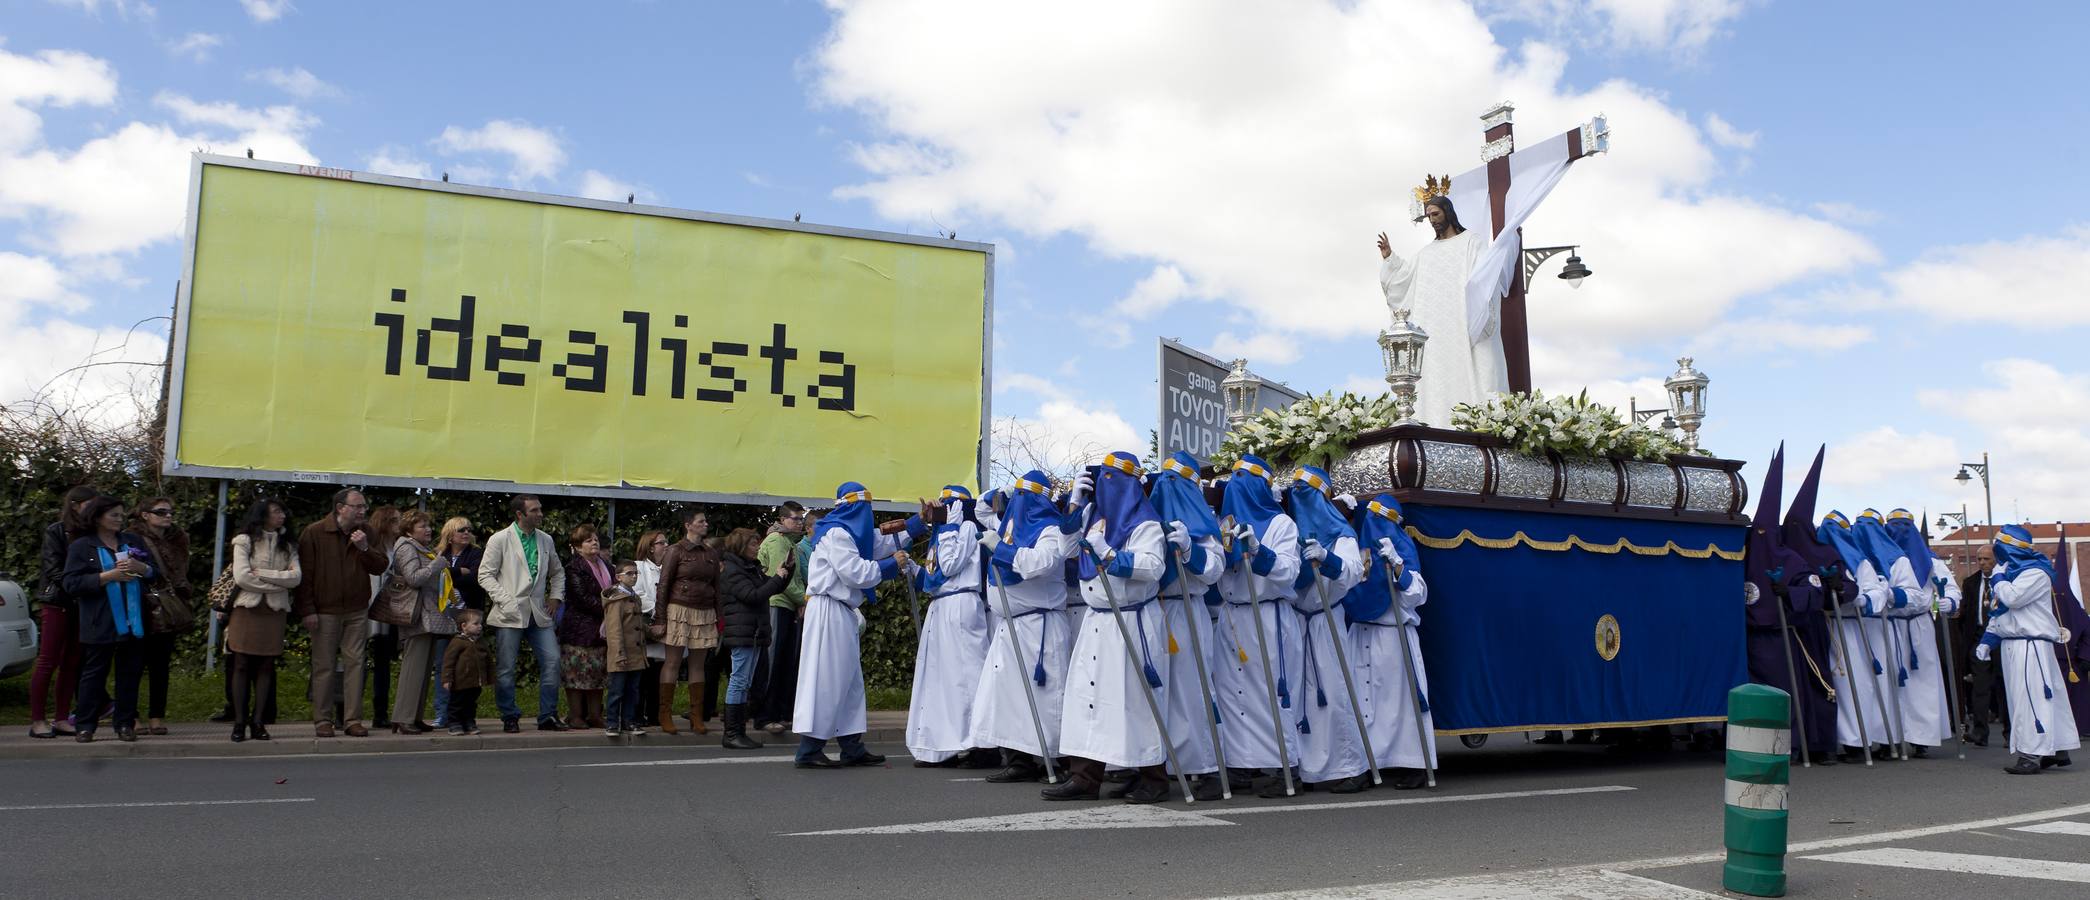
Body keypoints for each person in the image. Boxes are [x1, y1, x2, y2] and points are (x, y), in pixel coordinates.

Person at [1041, 452, 1175, 802]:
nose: (1105, 486)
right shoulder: (1091, 516)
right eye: (1103, 478)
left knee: (1134, 700)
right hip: (1096, 618)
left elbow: (1152, 566)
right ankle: (1085, 776)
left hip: (1130, 620)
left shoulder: (1145, 523)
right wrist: (1072, 508)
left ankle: (1153, 777)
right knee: (1086, 698)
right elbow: (1065, 548)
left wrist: (1111, 555)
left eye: (1112, 479)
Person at [794, 482, 923, 768]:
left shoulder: (846, 532)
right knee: (828, 678)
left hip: (840, 610)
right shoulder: (837, 534)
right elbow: (856, 573)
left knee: (850, 681)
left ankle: (851, 746)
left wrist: (919, 523)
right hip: (829, 608)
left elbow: (881, 542)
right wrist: (892, 564)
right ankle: (809, 749)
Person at [971, 471, 1082, 783]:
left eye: (1022, 495)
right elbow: (981, 508)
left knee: (1046, 698)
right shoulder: (1009, 528)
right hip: (1011, 625)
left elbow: (1041, 563)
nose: (1016, 502)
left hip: (1039, 624)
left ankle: (1056, 758)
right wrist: (1003, 489)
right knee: (1010, 695)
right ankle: (1019, 759)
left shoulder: (1050, 529)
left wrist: (1002, 551)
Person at [1212, 455, 1305, 792]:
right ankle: (1240, 763)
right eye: (1232, 477)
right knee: (1230, 691)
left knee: (1271, 691)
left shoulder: (1281, 524)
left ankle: (1284, 766)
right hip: (1233, 614)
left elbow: (1289, 571)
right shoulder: (1223, 523)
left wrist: (1257, 550)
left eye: (1243, 477)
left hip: (1267, 613)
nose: (1236, 484)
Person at [1146, 454, 1230, 800]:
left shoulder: (1202, 522)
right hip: (1156, 610)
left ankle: (1207, 767)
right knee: (1156, 692)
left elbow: (1213, 571)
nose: (1167, 488)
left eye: (1174, 482)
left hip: (1187, 610)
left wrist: (1189, 548)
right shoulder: (1147, 520)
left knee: (1191, 692)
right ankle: (1158, 766)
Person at [1376, 194, 1501, 427]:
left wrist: (1473, 307)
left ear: (1448, 213)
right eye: (1429, 216)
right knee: (1432, 379)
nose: (1432, 220)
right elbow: (1403, 280)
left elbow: (1486, 279)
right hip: (1432, 330)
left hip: (1461, 324)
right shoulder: (1425, 254)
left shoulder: (1472, 242)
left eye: (1436, 214)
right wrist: (1390, 259)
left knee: (1471, 371)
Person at [1283, 467, 1370, 795]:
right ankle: (1307, 767)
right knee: (1300, 696)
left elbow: (1351, 571)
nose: (1301, 499)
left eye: (1308, 492)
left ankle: (1351, 766)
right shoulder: (1290, 531)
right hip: (1299, 620)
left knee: (1334, 693)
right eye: (1297, 492)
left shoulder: (1342, 534)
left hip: (1325, 619)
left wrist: (1327, 557)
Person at [1345, 496, 1436, 789]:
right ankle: (1364, 764)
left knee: (1400, 703)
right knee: (1361, 701)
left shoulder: (1402, 549)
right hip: (1362, 634)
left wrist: (1397, 566)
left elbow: (1417, 595)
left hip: (1393, 635)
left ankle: (1414, 765)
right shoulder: (1361, 550)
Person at [1977, 525, 2081, 773]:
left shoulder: (2035, 573)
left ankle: (2031, 755)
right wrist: (1987, 641)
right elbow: (2000, 612)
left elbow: (2013, 598)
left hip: (2029, 646)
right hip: (2018, 645)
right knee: (2040, 699)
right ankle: (2055, 749)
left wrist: (1999, 577)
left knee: (2030, 700)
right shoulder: (2013, 574)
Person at [904, 487, 994, 768]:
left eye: (948, 503)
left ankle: (981, 745)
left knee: (966, 678)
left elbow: (952, 564)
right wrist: (913, 569)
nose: (942, 508)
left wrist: (950, 527)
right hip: (942, 605)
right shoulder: (942, 533)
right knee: (941, 680)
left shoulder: (965, 527)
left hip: (962, 605)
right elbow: (936, 577)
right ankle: (945, 744)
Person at [293, 488, 388, 738]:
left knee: (355, 664)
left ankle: (352, 720)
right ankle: (322, 720)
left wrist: (364, 548)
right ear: (340, 508)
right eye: (357, 506)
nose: (362, 511)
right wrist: (308, 610)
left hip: (357, 610)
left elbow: (380, 567)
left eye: (364, 506)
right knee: (323, 665)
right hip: (324, 611)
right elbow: (305, 577)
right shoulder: (314, 533)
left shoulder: (367, 532)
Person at [62, 495, 152, 742]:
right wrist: (108, 576)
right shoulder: (82, 546)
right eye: (114, 515)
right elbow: (71, 583)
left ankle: (125, 723)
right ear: (98, 516)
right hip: (100, 620)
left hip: (134, 621)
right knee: (94, 674)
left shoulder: (132, 541)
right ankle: (85, 725)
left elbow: (153, 572)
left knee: (129, 674)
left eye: (122, 515)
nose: (119, 519)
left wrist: (140, 567)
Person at [479, 494, 568, 732]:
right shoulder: (500, 539)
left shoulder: (546, 539)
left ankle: (547, 715)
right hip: (510, 612)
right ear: (520, 514)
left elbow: (557, 572)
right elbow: (485, 574)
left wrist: (555, 597)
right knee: (506, 667)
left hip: (538, 612)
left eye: (540, 509)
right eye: (535, 510)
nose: (540, 514)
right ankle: (509, 715)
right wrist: (505, 600)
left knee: (553, 660)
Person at [1817, 510, 1897, 761]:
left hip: (1852, 628)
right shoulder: (1816, 558)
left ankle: (1857, 741)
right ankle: (1835, 740)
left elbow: (1877, 592)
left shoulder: (1859, 562)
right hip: (1826, 626)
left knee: (1855, 686)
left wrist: (1860, 599)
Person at [226, 498, 300, 742]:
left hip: (274, 611)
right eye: (276, 512)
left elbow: (296, 578)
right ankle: (239, 722)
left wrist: (266, 575)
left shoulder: (287, 544)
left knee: (266, 666)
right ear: (263, 516)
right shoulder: (244, 541)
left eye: (283, 511)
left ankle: (258, 722)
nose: (282, 515)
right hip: (247, 609)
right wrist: (277, 582)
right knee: (241, 664)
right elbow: (242, 577)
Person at [28, 484, 98, 739]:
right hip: (59, 601)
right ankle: (37, 720)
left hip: (83, 604)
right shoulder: (56, 531)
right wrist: (80, 586)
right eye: (90, 504)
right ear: (75, 505)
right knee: (48, 660)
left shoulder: (92, 533)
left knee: (71, 662)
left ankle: (61, 717)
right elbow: (54, 568)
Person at [1883, 509, 1954, 755]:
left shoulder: (1931, 561)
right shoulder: (1883, 558)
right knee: (1892, 681)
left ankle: (1921, 736)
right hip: (1891, 624)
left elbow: (1950, 586)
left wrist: (1950, 601)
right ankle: (1890, 735)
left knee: (1922, 680)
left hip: (1919, 625)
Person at [719, 527, 792, 749]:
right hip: (742, 632)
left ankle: (738, 731)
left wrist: (784, 574)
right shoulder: (734, 570)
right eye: (753, 544)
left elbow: (766, 588)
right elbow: (753, 596)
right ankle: (732, 733)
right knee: (739, 680)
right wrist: (776, 578)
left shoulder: (750, 568)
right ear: (741, 546)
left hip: (752, 632)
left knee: (745, 682)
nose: (757, 547)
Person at [129, 496, 194, 736]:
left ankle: (157, 716)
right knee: (134, 663)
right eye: (161, 512)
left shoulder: (178, 538)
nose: (168, 516)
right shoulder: (131, 537)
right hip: (142, 604)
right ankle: (131, 715)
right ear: (145, 514)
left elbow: (182, 573)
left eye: (170, 512)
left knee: (160, 665)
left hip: (167, 604)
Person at [654, 508, 721, 735]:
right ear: (688, 525)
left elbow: (718, 588)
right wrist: (661, 618)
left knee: (697, 665)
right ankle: (664, 714)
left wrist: (719, 616)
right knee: (672, 662)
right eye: (701, 521)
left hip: (704, 611)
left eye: (705, 520)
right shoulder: (675, 551)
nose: (705, 524)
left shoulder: (711, 553)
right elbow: (663, 585)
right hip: (678, 609)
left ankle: (696, 716)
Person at [387, 511, 452, 734]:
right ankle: (403, 717)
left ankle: (413, 716)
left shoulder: (419, 548)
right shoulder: (406, 547)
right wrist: (437, 565)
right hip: (417, 615)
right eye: (422, 526)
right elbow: (413, 578)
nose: (428, 529)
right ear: (408, 530)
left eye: (428, 525)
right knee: (413, 668)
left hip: (427, 614)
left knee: (423, 669)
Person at [756, 502, 809, 734]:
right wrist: (804, 600)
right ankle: (764, 716)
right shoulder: (778, 540)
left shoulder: (790, 542)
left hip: (787, 604)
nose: (800, 523)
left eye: (801, 519)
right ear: (783, 519)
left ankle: (779, 712)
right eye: (796, 519)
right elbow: (782, 578)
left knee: (786, 661)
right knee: (772, 661)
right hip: (776, 603)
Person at [430, 517, 484, 726]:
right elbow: (433, 578)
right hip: (444, 616)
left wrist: (447, 574)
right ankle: (443, 713)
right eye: (462, 530)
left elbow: (475, 580)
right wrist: (457, 571)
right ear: (450, 534)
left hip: (468, 616)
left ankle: (465, 715)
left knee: (468, 666)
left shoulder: (476, 553)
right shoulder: (438, 554)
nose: (466, 533)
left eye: (469, 530)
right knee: (443, 664)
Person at [558, 525, 612, 729]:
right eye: (588, 540)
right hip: (579, 629)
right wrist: (609, 607)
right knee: (576, 675)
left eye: (595, 539)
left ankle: (595, 715)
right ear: (578, 547)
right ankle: (576, 715)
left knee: (598, 674)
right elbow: (582, 599)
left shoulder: (608, 566)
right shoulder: (573, 568)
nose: (594, 542)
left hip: (602, 628)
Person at [1956, 546, 2003, 746]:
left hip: (2001, 638)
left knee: (2003, 686)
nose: (1982, 562)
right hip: (1977, 638)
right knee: (1979, 688)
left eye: (1987, 559)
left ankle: (2010, 733)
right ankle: (1980, 732)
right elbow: (1965, 615)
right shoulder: (1970, 583)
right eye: (1979, 559)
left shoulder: (2006, 579)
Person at [364, 506, 403, 729]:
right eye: (395, 520)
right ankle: (344, 711)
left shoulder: (397, 546)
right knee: (357, 661)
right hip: (368, 608)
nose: (399, 524)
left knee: (383, 664)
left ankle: (380, 712)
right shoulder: (372, 545)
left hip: (389, 611)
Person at [601, 560, 649, 738]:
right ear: (618, 577)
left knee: (633, 690)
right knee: (617, 690)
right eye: (629, 573)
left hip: (635, 653)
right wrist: (619, 653)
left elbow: (637, 624)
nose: (634, 576)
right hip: (621, 653)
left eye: (636, 573)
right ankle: (612, 723)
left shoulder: (633, 596)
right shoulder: (617, 599)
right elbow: (614, 629)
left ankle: (629, 721)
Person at [631, 530, 669, 726]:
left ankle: (655, 714)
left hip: (666, 628)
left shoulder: (670, 568)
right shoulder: (638, 567)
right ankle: (637, 715)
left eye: (666, 542)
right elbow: (637, 594)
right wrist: (658, 611)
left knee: (659, 675)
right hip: (645, 627)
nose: (666, 546)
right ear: (651, 547)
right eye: (662, 543)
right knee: (642, 676)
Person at [442, 609, 492, 736]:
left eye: (480, 623)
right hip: (460, 681)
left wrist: (490, 677)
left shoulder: (480, 642)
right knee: (456, 703)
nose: (480, 626)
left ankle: (469, 722)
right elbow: (448, 662)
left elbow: (488, 661)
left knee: (471, 703)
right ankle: (454, 723)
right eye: (475, 624)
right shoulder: (457, 642)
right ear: (464, 626)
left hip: (475, 681)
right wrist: (447, 679)